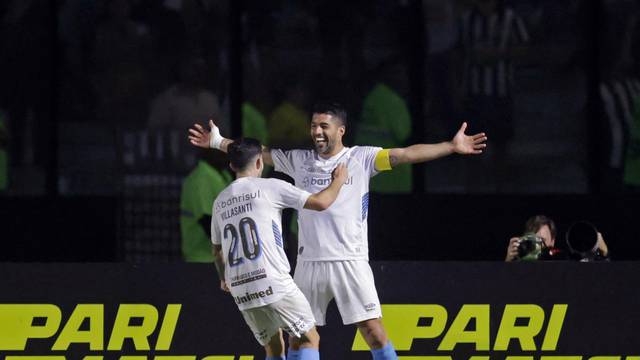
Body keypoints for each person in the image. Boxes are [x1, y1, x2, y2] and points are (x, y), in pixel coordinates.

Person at [192, 102, 487, 359]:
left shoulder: (362, 158)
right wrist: (218, 141)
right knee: (299, 337)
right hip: (309, 264)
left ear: (341, 130)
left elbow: (406, 154)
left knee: (374, 332)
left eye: (324, 126)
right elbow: (256, 154)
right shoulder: (299, 160)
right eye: (313, 125)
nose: (317, 132)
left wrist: (450, 146)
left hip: (350, 260)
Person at [211, 137, 349, 360]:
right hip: (272, 281)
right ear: (259, 163)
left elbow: (217, 251)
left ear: (232, 166)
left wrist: (223, 278)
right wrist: (339, 181)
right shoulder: (270, 187)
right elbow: (321, 202)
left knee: (274, 348)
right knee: (309, 338)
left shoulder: (219, 201)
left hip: (241, 289)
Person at [180, 149, 232, 262]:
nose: (224, 152)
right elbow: (207, 222)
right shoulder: (200, 179)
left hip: (223, 258)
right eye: (217, 148)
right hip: (202, 258)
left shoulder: (224, 175)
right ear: (205, 152)